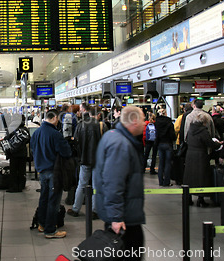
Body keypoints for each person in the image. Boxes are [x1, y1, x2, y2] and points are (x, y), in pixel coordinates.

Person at [94, 106, 146, 259]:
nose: (144, 124)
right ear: (134, 121)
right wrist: (116, 217)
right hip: (124, 218)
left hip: (124, 214)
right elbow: (113, 183)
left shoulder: (113, 136)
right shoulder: (120, 144)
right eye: (143, 120)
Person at [31, 109, 71, 239]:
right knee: (53, 201)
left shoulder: (36, 133)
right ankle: (50, 230)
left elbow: (33, 149)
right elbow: (66, 152)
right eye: (58, 118)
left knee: (44, 198)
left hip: (41, 171)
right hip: (53, 171)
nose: (58, 121)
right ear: (54, 117)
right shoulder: (55, 134)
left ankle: (42, 224)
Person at [67, 107, 102, 218]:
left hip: (84, 159)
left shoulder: (80, 125)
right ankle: (94, 211)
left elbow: (76, 142)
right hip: (98, 160)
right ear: (97, 115)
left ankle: (75, 209)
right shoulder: (101, 125)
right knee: (96, 185)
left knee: (81, 184)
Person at [183, 112, 221, 207]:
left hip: (190, 155)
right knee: (202, 177)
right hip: (201, 155)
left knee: (190, 176)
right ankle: (201, 199)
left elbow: (186, 139)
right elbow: (209, 143)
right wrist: (219, 144)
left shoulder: (190, 129)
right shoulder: (203, 131)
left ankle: (188, 198)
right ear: (204, 122)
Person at [3, 114, 29, 193]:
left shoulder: (11, 127)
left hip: (13, 153)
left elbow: (6, 138)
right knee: (22, 170)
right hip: (23, 153)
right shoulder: (25, 129)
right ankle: (21, 185)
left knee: (13, 170)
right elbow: (28, 140)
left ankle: (14, 187)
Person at [154, 109, 176, 187]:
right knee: (167, 163)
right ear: (166, 113)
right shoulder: (169, 123)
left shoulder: (156, 123)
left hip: (160, 144)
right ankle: (166, 181)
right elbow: (173, 135)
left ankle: (160, 181)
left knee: (161, 163)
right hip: (168, 144)